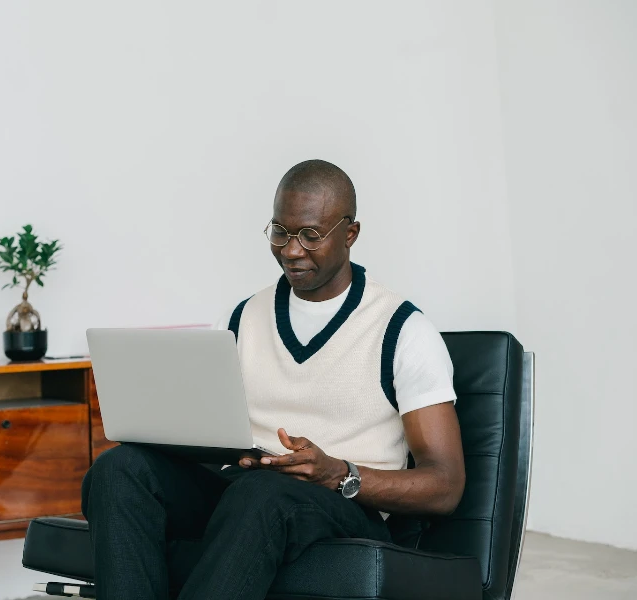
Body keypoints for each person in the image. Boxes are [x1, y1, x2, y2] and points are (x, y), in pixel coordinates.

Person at [81, 159, 466, 600]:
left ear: (350, 234)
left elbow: (445, 486)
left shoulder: (403, 330)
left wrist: (338, 474)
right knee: (118, 469)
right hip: (246, 490)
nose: (291, 250)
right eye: (280, 232)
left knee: (266, 493)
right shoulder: (246, 315)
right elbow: (220, 431)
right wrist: (231, 449)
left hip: (342, 504)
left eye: (310, 235)